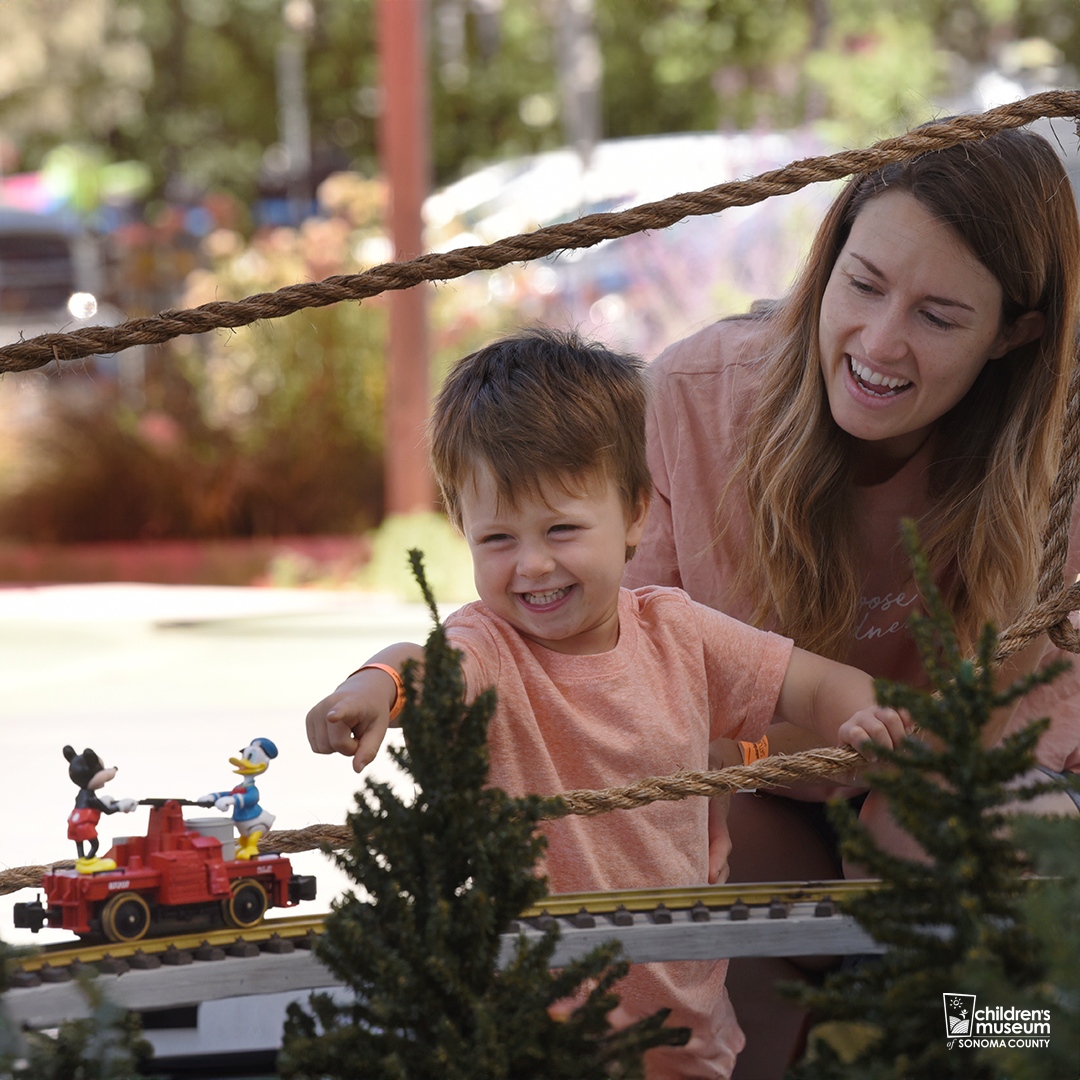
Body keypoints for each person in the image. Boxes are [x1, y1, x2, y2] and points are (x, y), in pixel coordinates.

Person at [306, 329, 910, 1080]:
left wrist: (862, 717)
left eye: (561, 529)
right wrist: (372, 688)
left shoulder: (677, 632)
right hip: (534, 1022)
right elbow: (424, 665)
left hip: (682, 1023)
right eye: (497, 537)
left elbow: (813, 683)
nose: (531, 564)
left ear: (633, 515)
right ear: (462, 531)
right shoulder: (489, 646)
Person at [621, 125, 1080, 1077]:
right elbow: (629, 680)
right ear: (824, 264)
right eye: (863, 285)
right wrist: (780, 753)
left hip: (945, 793)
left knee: (976, 875)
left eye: (940, 316)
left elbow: (1042, 717)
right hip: (753, 789)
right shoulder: (694, 401)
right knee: (665, 866)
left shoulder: (1056, 461)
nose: (879, 343)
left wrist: (897, 805)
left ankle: (989, 1049)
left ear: (1015, 333)